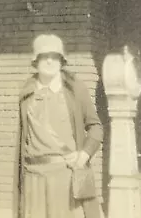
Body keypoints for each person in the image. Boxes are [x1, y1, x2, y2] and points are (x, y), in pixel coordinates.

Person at [14, 34, 103, 218]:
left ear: (62, 60)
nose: (49, 60)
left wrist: (84, 154)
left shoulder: (75, 90)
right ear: (36, 61)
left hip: (65, 178)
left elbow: (96, 128)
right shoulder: (27, 94)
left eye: (54, 56)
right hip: (33, 180)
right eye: (44, 56)